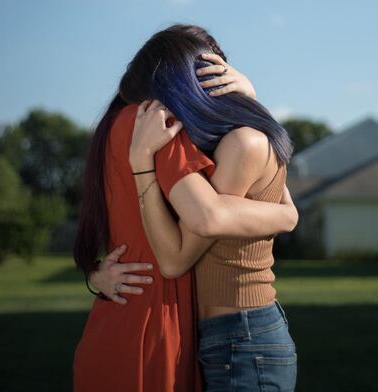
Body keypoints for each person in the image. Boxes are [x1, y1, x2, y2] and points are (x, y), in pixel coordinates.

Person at [73, 23, 298, 392]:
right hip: (159, 331)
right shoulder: (156, 127)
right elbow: (196, 233)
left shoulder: (118, 127)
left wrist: (96, 276)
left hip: (122, 325)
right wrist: (287, 216)